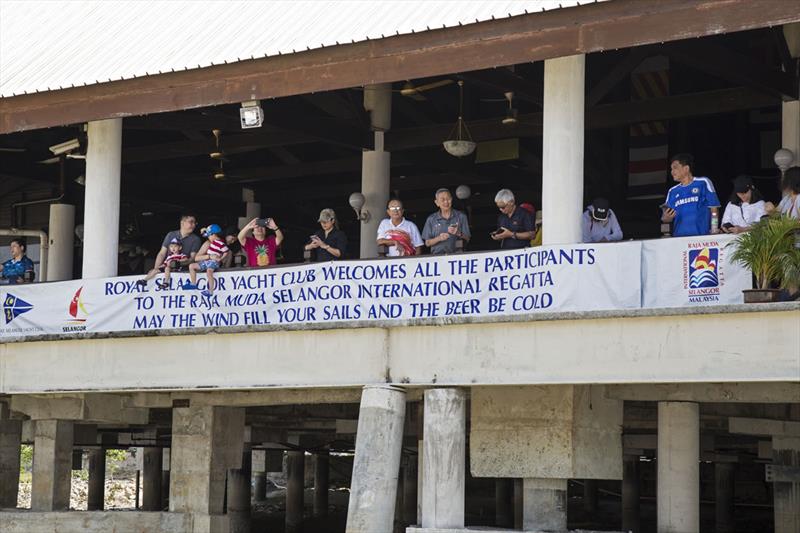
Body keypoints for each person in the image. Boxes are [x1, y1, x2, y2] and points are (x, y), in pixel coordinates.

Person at [661, 153, 721, 236]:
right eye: (671, 169)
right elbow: (665, 218)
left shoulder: (703, 182)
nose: (672, 172)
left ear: (686, 168)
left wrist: (714, 229)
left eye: (675, 168)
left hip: (701, 237)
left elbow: (714, 209)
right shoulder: (672, 191)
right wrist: (666, 218)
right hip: (679, 238)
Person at [184, 224, 229, 297]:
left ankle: (210, 291)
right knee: (191, 266)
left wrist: (220, 259)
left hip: (213, 262)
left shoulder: (220, 243)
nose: (208, 237)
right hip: (207, 261)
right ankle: (193, 283)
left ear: (214, 235)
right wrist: (209, 256)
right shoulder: (209, 242)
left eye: (209, 235)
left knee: (209, 272)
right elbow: (196, 258)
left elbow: (226, 251)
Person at [421, 188, 471, 254]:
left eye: (448, 199)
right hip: (437, 257)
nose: (446, 202)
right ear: (437, 203)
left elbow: (467, 238)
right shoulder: (431, 219)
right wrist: (439, 238)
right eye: (442, 200)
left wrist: (458, 233)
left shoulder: (461, 216)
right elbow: (427, 243)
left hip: (457, 256)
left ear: (451, 199)